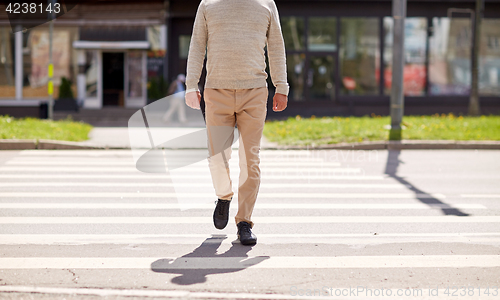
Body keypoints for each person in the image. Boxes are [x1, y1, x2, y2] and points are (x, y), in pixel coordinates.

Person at [184, 0, 288, 245]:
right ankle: (224, 196)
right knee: (217, 157)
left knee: (250, 159)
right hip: (216, 91)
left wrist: (281, 86)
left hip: (254, 92)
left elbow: (276, 47)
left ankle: (244, 221)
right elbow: (197, 45)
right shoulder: (208, 4)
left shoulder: (266, 4)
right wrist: (191, 85)